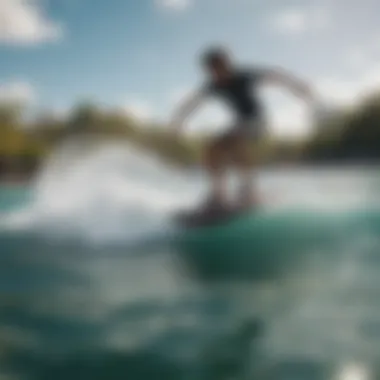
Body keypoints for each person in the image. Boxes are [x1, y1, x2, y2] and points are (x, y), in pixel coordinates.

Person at [170, 46, 314, 212]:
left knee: (236, 139)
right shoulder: (214, 85)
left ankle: (248, 190)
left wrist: (299, 87)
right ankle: (218, 196)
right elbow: (193, 102)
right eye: (212, 71)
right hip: (239, 124)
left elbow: (276, 76)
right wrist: (178, 120)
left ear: (227, 65)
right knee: (211, 149)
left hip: (257, 122)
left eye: (220, 68)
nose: (217, 74)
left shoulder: (243, 76)